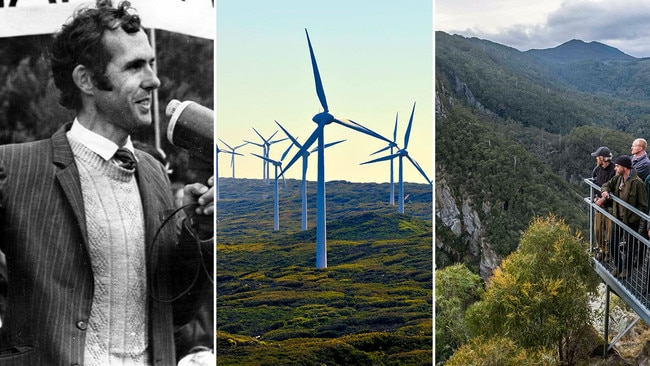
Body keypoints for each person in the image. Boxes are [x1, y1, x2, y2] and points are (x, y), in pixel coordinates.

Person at [0, 1, 213, 365]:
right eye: (134, 66)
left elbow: (174, 313)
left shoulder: (154, 173)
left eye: (151, 63)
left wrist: (201, 231)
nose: (154, 80)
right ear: (85, 80)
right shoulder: (14, 166)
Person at [601, 155, 648, 280]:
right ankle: (619, 265)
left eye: (617, 166)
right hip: (618, 218)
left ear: (624, 167)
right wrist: (605, 191)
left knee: (630, 246)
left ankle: (627, 269)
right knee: (612, 243)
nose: (615, 168)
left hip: (631, 222)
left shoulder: (638, 183)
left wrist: (634, 219)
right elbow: (606, 185)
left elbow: (643, 205)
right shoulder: (618, 179)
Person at [591, 146, 616, 260]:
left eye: (597, 157)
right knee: (598, 230)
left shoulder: (615, 170)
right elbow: (595, 184)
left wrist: (603, 199)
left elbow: (615, 189)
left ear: (602, 158)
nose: (596, 159)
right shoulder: (597, 169)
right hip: (600, 206)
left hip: (611, 206)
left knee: (610, 231)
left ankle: (609, 251)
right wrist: (596, 198)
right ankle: (602, 249)